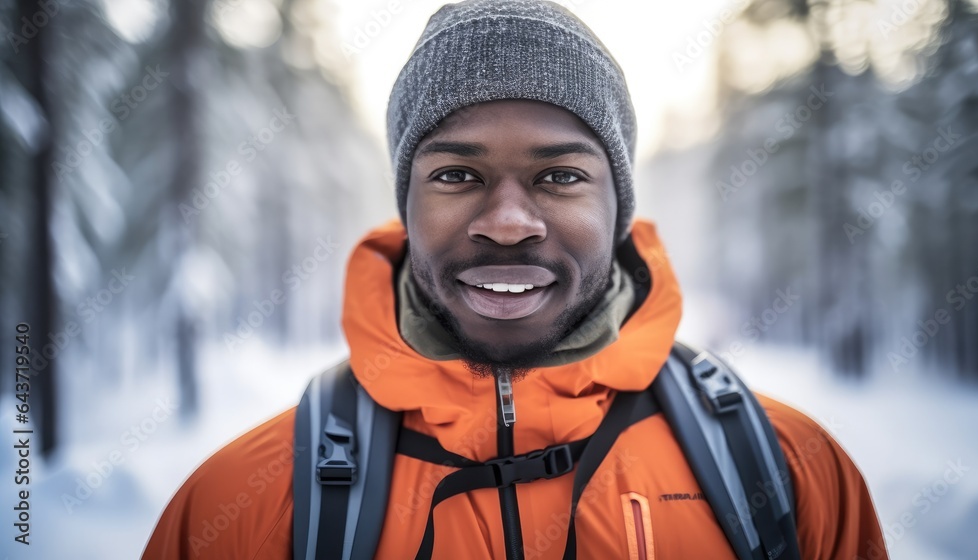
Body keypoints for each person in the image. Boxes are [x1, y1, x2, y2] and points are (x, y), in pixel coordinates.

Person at [142, 1, 887, 558]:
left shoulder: (788, 473)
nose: (507, 222)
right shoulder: (245, 504)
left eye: (559, 175)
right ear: (405, 202)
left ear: (619, 208)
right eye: (457, 174)